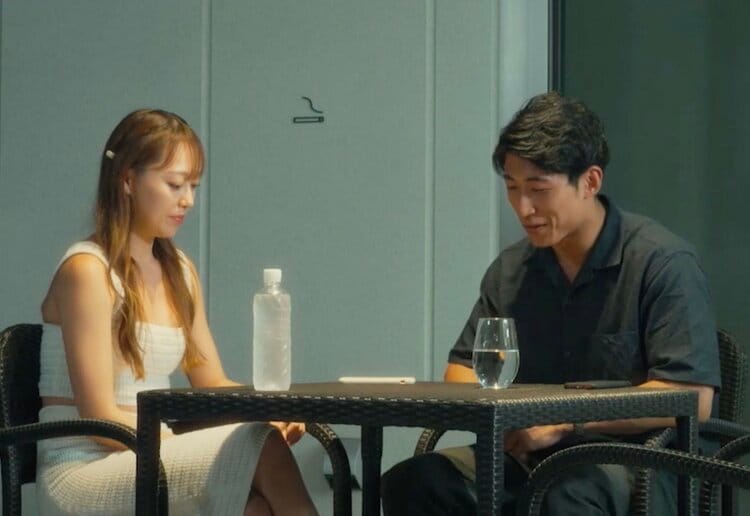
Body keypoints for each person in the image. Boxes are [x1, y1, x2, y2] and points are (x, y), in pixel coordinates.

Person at [380, 92, 720, 515]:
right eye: (512, 188)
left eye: (539, 189)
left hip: (640, 460)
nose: (524, 208)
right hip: (530, 455)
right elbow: (462, 371)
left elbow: (691, 396)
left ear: (590, 182)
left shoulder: (661, 263)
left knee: (565, 495)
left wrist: (566, 421)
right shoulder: (512, 270)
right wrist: (516, 417)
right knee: (415, 482)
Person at [36, 109, 319, 516]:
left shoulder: (179, 271)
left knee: (255, 506)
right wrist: (195, 443)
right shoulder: (88, 270)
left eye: (193, 186)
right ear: (128, 180)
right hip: (82, 467)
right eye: (174, 184)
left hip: (146, 454)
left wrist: (267, 411)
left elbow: (211, 382)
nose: (187, 200)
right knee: (260, 445)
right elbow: (99, 416)